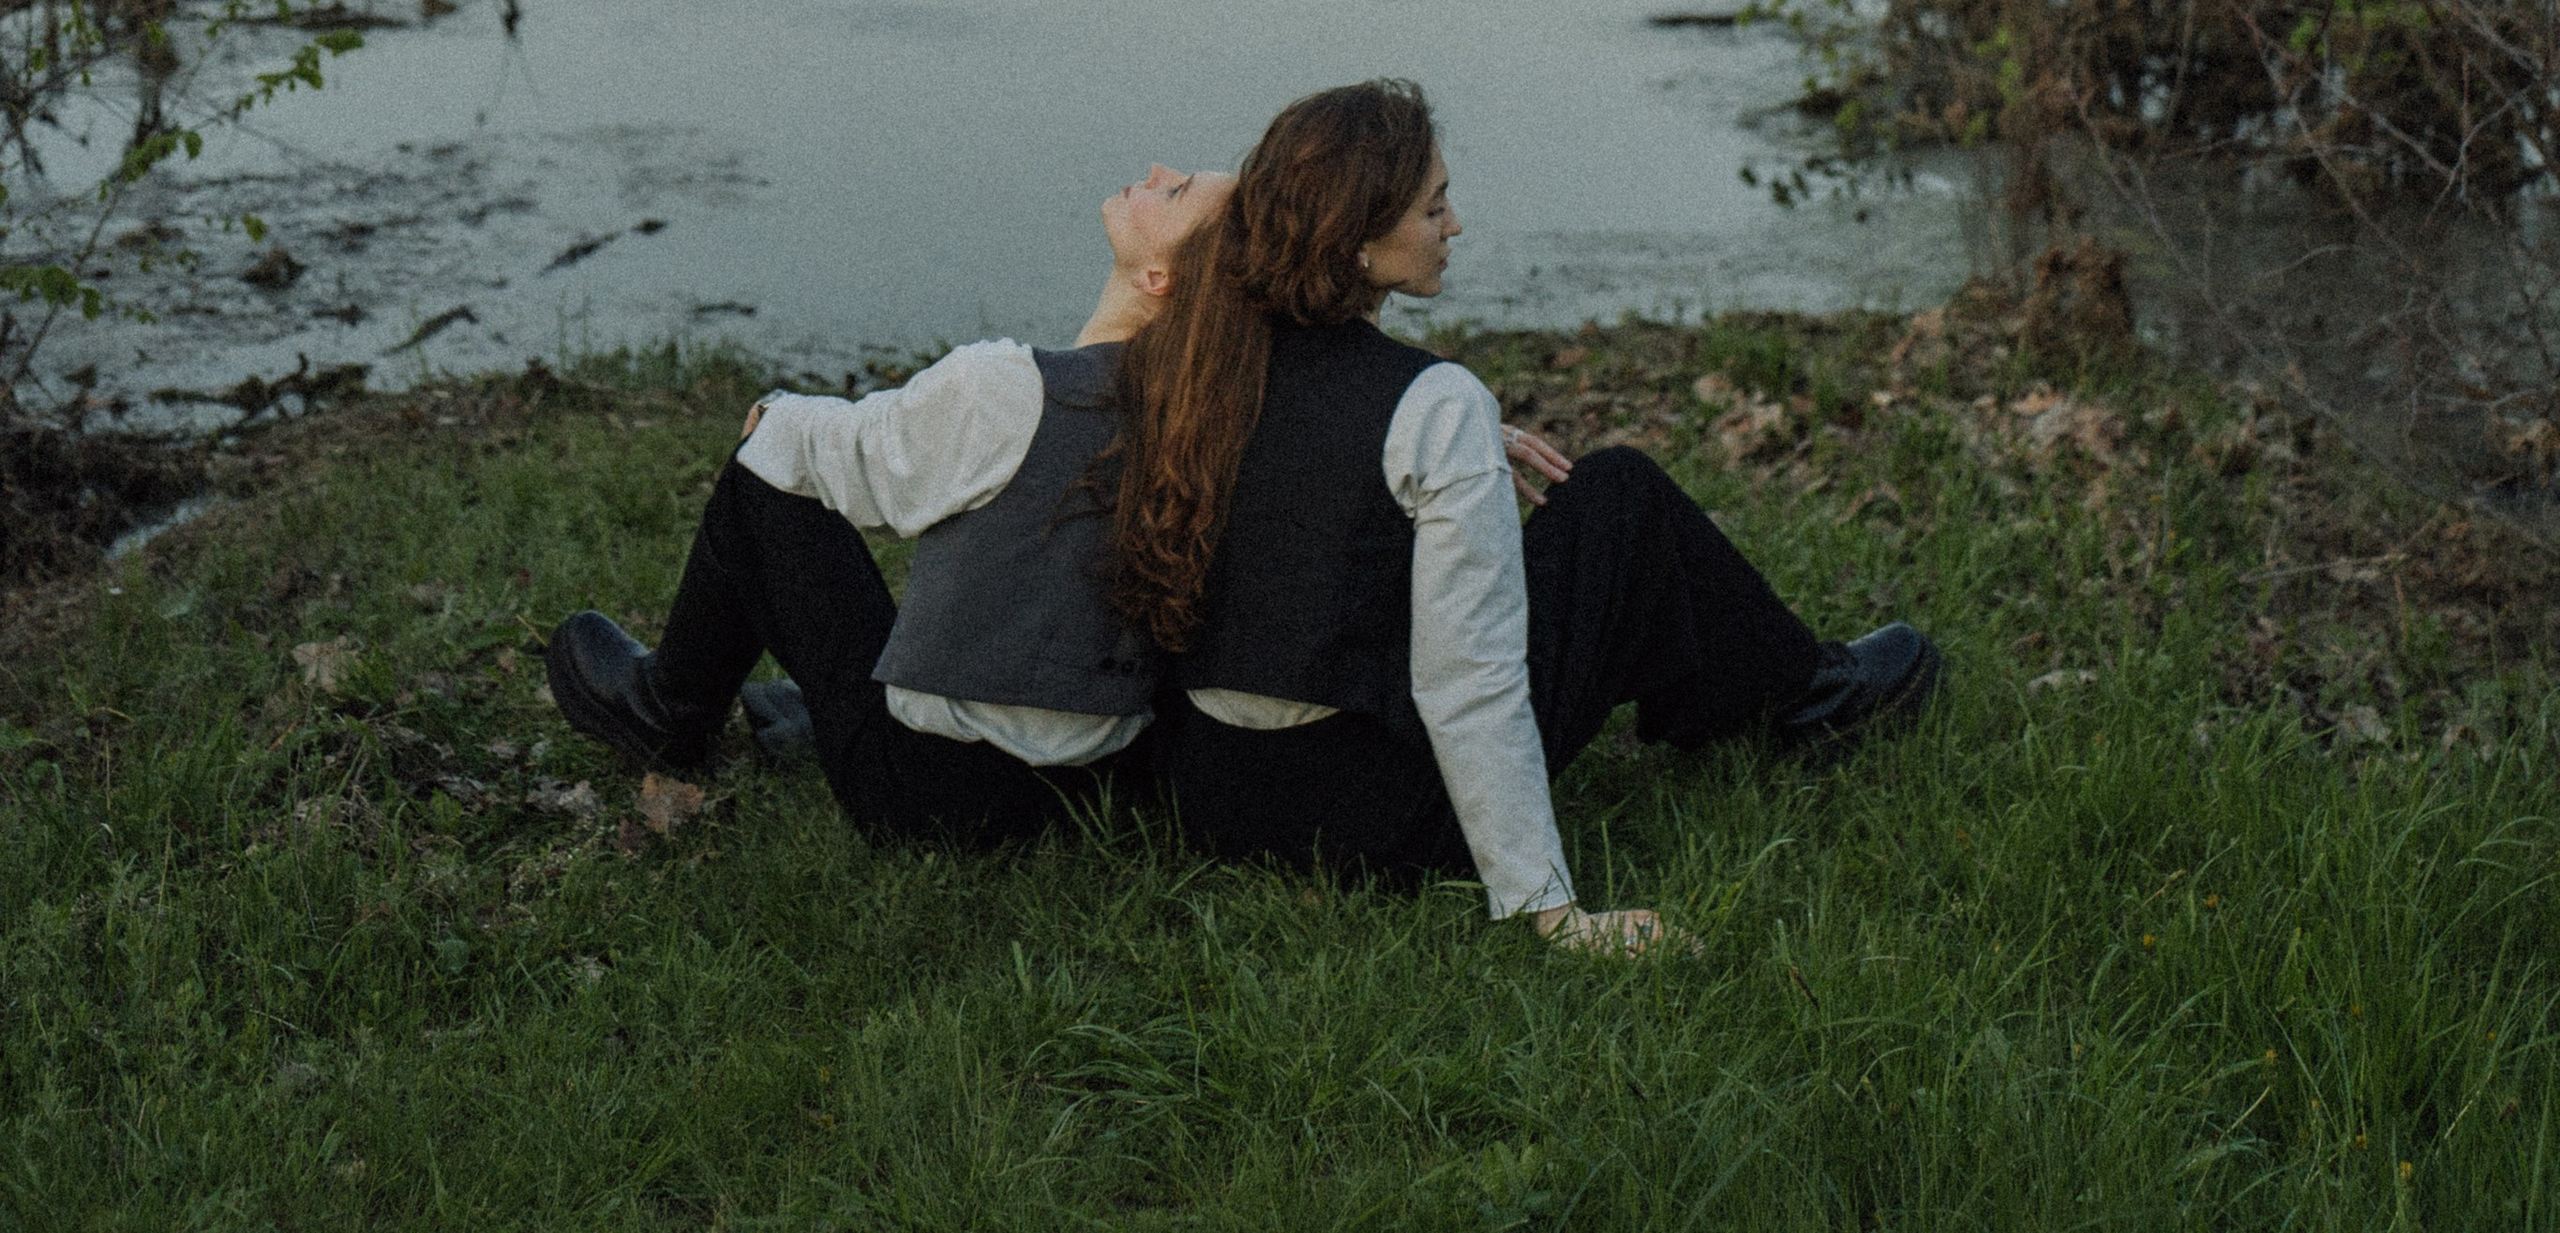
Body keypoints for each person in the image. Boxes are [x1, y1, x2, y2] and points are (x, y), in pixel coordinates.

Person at [1113, 81, 1944, 951]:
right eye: (1434, 207)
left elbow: (1291, 524)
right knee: (1620, 499)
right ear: (1356, 238)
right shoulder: (1432, 404)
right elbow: (1469, 681)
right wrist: (1547, 911)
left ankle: (1746, 693)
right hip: (1378, 826)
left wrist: (1455, 443)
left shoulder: (1188, 363)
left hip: (1212, 800)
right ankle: (1813, 700)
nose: (1454, 226)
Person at [543, 159, 1234, 850]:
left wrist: (776, 413)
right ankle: (821, 709)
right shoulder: (1225, 422)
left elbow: (835, 460)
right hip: (1102, 786)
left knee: (767, 471)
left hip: (928, 794)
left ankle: (667, 709)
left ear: (1158, 279)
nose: (1157, 171)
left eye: (1174, 191)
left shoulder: (1009, 389)